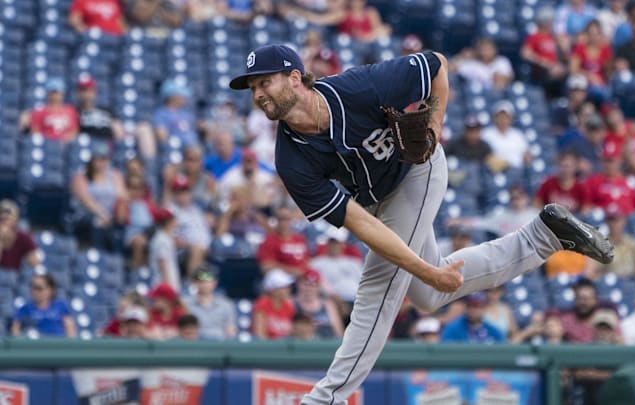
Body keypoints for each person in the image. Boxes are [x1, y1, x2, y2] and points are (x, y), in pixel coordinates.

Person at [228, 43, 613, 405]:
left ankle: (325, 398)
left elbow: (436, 64)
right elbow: (360, 223)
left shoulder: (359, 87)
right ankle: (544, 237)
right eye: (252, 88)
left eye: (264, 82)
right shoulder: (290, 158)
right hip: (376, 205)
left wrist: (434, 125)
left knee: (378, 286)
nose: (257, 93)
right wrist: (429, 272)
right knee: (429, 296)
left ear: (295, 78)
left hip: (417, 171)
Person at [70, 143, 127, 250]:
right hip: (86, 215)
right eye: (98, 159)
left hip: (111, 215)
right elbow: (86, 200)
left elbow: (121, 196)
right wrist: (103, 214)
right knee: (98, 223)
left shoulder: (114, 175)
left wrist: (116, 215)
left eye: (104, 159)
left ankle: (116, 257)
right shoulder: (81, 177)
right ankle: (99, 254)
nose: (101, 162)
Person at [584, 142, 635, 216]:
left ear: (619, 161)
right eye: (606, 160)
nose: (609, 165)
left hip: (628, 222)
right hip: (605, 222)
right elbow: (586, 207)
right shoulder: (593, 181)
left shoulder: (627, 182)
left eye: (611, 161)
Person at [167, 175, 212, 274]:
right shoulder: (171, 211)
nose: (183, 195)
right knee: (197, 250)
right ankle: (192, 286)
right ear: (174, 194)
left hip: (203, 248)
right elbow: (169, 238)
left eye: (185, 191)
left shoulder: (195, 209)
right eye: (179, 192)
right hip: (182, 252)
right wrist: (188, 244)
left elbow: (204, 231)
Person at [309, 227, 363, 307]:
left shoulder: (354, 263)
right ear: (327, 243)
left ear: (342, 244)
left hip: (356, 301)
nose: (334, 246)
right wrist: (331, 295)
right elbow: (314, 284)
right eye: (332, 243)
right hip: (332, 302)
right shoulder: (316, 263)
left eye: (336, 243)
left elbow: (362, 282)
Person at [521, 7, 568, 99]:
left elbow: (564, 55)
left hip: (556, 71)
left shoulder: (553, 37)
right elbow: (525, 53)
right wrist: (545, 63)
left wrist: (563, 44)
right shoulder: (534, 36)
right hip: (542, 72)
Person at [590, 206, 635, 279]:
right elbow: (593, 273)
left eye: (617, 220)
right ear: (607, 222)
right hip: (612, 282)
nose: (614, 224)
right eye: (611, 220)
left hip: (633, 282)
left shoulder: (633, 243)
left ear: (623, 221)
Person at [115, 174, 159, 269]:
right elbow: (120, 220)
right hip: (132, 233)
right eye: (134, 187)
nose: (137, 190)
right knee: (139, 242)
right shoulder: (124, 202)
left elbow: (158, 218)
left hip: (150, 232)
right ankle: (137, 272)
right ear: (128, 188)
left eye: (140, 187)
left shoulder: (148, 203)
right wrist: (124, 201)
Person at [11, 274, 76, 338]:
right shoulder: (24, 309)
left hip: (57, 345)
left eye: (39, 288)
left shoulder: (61, 306)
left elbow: (70, 331)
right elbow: (15, 330)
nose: (35, 291)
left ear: (50, 290)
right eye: (33, 287)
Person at [256, 206, 311, 277]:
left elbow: (307, 262)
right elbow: (265, 267)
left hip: (302, 278)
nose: (284, 223)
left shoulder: (300, 239)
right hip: (283, 277)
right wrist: (291, 270)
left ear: (292, 220)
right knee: (276, 276)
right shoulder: (269, 240)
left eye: (287, 219)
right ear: (276, 220)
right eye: (281, 219)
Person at [183, 268, 237, 340]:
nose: (205, 284)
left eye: (208, 281)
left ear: (214, 283)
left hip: (220, 345)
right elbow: (184, 330)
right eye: (201, 282)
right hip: (195, 345)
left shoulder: (226, 304)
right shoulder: (185, 304)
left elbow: (231, 331)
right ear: (194, 283)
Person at [19, 78, 79, 142]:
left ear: (62, 93)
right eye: (52, 92)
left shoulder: (70, 111)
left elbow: (74, 131)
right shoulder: (40, 111)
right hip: (46, 145)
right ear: (48, 93)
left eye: (57, 92)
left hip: (65, 145)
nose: (55, 95)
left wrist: (64, 139)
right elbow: (35, 132)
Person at [570, 20, 613, 102]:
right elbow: (573, 69)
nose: (593, 37)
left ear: (600, 35)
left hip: (601, 84)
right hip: (584, 85)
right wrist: (589, 75)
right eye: (590, 34)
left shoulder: (605, 49)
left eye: (596, 34)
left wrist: (609, 68)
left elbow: (609, 71)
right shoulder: (580, 48)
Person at [294, 269, 345, 339]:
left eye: (313, 285)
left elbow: (338, 331)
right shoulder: (292, 303)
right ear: (299, 284)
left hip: (326, 345)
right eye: (306, 284)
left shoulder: (327, 305)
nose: (308, 288)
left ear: (318, 287)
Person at [163, 145, 217, 210]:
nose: (192, 164)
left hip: (200, 215)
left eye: (195, 160)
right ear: (184, 161)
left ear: (201, 162)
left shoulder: (208, 179)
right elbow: (166, 202)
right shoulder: (175, 176)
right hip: (179, 213)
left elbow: (212, 204)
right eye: (189, 160)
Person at [74, 75, 124, 145]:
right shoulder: (74, 112)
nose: (87, 94)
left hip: (107, 146)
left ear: (95, 92)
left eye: (90, 90)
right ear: (78, 93)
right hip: (87, 146)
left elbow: (119, 133)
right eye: (83, 90)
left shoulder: (107, 111)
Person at [481, 101, 530, 169]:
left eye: (506, 117)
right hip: (495, 171)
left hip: (517, 171)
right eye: (500, 116)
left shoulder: (518, 135)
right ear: (494, 118)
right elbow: (484, 155)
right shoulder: (486, 134)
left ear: (511, 119)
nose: (503, 119)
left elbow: (526, 155)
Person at [440, 293, 506, 343]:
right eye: (470, 306)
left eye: (478, 306)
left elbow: (503, 350)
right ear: (465, 307)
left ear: (484, 308)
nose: (473, 310)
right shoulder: (452, 329)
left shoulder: (493, 330)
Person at [152, 80, 198, 148]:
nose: (184, 98)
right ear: (172, 97)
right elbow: (162, 136)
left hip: (194, 148)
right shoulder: (161, 114)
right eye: (182, 95)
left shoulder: (187, 114)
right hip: (176, 148)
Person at [252, 269, 296, 340]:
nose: (288, 290)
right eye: (284, 287)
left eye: (288, 287)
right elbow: (259, 334)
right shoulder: (262, 304)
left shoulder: (288, 305)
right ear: (273, 290)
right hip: (268, 348)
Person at [0, 200, 40, 271]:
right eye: (2, 219)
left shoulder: (23, 237)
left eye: (7, 218)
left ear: (15, 220)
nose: (5, 222)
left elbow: (35, 263)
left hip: (17, 277)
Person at [148, 208, 181, 290]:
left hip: (164, 284)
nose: (176, 222)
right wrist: (168, 287)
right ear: (168, 222)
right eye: (173, 220)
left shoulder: (165, 238)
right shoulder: (162, 240)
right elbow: (163, 263)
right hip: (163, 285)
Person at [560, 278, 600, 343]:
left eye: (587, 299)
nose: (583, 303)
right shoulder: (566, 321)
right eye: (580, 298)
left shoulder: (604, 319)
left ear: (595, 300)